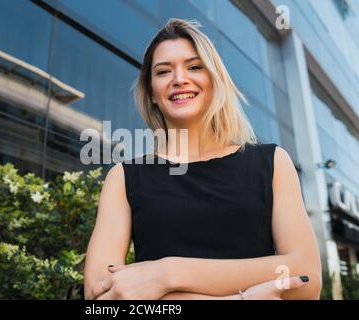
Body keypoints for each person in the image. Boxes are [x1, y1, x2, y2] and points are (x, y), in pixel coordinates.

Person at [84, 18, 322, 300]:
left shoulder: (271, 163)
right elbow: (101, 297)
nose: (179, 79)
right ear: (151, 94)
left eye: (195, 67)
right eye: (163, 72)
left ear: (214, 79)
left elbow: (306, 280)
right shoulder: (124, 177)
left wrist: (168, 274)